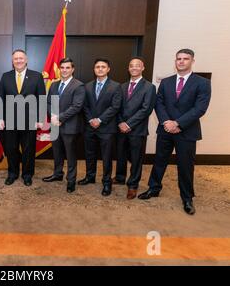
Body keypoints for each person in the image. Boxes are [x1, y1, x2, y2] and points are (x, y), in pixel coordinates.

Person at [138, 49, 211, 215]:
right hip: (165, 129)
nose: (181, 61)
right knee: (159, 160)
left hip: (187, 131)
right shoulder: (166, 82)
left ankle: (187, 198)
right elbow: (159, 103)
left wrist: (178, 123)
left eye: (185, 59)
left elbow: (200, 108)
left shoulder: (202, 83)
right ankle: (153, 188)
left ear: (192, 61)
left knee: (185, 165)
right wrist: (166, 122)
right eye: (179, 59)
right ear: (175, 61)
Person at [0, 49, 46, 187]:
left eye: (21, 58)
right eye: (15, 59)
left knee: (28, 150)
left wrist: (40, 119)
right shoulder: (5, 76)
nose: (18, 61)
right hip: (10, 121)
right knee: (11, 149)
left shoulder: (36, 76)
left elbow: (42, 99)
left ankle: (27, 175)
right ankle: (12, 173)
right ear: (12, 61)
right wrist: (0, 117)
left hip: (30, 121)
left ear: (26, 59)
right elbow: (0, 98)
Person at [114, 57, 156, 199]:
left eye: (137, 66)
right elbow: (116, 107)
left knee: (136, 159)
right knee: (120, 155)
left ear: (143, 68)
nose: (134, 68)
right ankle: (120, 177)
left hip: (137, 130)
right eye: (131, 66)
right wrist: (121, 122)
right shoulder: (122, 86)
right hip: (120, 128)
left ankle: (133, 184)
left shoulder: (149, 87)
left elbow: (146, 110)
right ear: (128, 68)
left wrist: (129, 124)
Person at [79, 58, 122, 196]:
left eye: (103, 67)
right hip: (90, 126)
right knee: (89, 154)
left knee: (106, 157)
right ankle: (90, 177)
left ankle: (106, 182)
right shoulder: (87, 86)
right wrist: (91, 119)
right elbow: (84, 106)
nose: (100, 69)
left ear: (108, 69)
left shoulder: (116, 86)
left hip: (107, 128)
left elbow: (115, 107)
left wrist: (100, 119)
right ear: (94, 69)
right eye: (97, 66)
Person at [42, 58, 85, 193]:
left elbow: (76, 106)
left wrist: (60, 118)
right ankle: (57, 174)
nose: (64, 70)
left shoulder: (79, 86)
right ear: (59, 69)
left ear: (72, 69)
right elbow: (48, 102)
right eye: (62, 68)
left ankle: (71, 180)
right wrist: (54, 116)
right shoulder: (54, 85)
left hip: (70, 126)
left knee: (70, 155)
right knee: (57, 152)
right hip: (55, 125)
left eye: (67, 68)